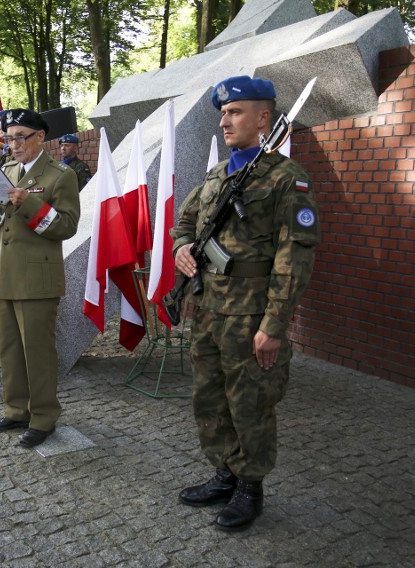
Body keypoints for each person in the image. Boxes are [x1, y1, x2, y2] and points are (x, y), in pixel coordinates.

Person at [171, 76, 321, 532]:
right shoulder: (219, 175)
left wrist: (274, 326)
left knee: (250, 404)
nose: (225, 120)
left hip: (251, 314)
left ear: (263, 118)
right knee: (209, 399)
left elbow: (294, 258)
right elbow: (186, 219)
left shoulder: (284, 178)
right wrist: (181, 246)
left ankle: (250, 488)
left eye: (235, 112)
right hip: (209, 308)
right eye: (223, 113)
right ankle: (224, 473)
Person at [0, 108, 80, 448]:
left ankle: (44, 416)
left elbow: (66, 227)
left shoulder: (60, 175)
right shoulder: (6, 170)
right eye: (9, 137)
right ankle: (16, 409)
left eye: (20, 137)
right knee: (10, 350)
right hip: (6, 274)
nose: (13, 144)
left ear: (39, 138)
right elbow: (1, 225)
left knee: (38, 352)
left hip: (38, 278)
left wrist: (30, 205)